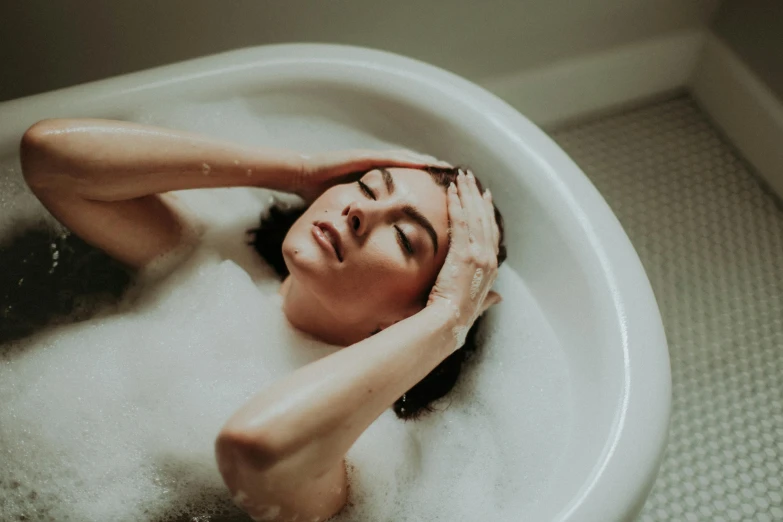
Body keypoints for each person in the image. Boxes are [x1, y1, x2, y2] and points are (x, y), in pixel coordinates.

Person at [20, 118, 506, 522]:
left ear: (413, 312)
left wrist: (449, 320)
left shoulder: (364, 442)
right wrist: (296, 170)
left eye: (402, 237)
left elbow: (256, 446)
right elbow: (49, 158)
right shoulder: (207, 264)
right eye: (367, 186)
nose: (360, 210)